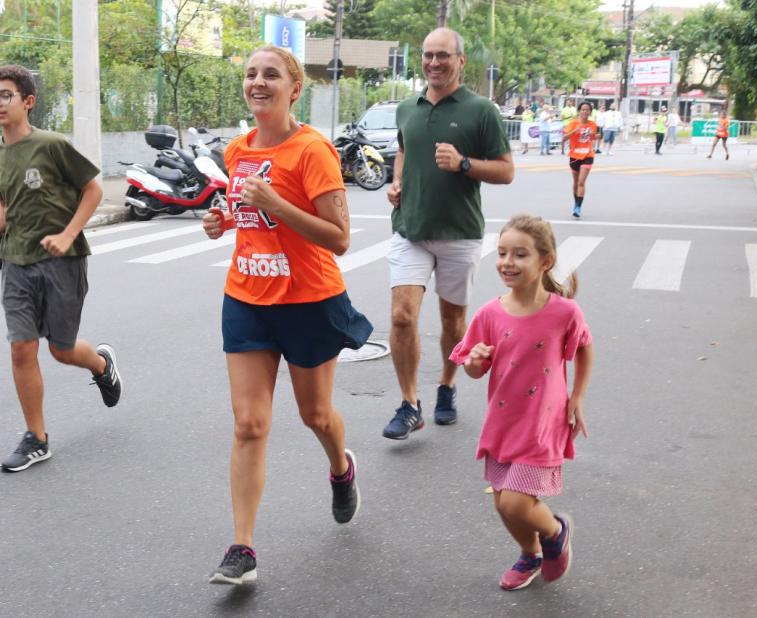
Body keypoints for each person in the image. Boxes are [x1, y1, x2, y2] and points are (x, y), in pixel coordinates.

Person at [201, 46, 371, 585]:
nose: (258, 82)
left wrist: (277, 203)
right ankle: (242, 548)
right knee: (249, 424)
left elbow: (339, 238)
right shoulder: (238, 149)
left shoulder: (312, 151)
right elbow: (246, 216)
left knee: (315, 416)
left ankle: (341, 469)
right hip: (247, 297)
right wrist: (222, 221)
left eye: (270, 75)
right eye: (251, 74)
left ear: (294, 89)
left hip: (308, 301)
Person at [0, 65, 122, 473]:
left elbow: (93, 189)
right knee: (22, 347)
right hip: (17, 261)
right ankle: (36, 438)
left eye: (6, 95)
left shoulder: (52, 146)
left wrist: (70, 234)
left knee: (62, 349)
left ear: (28, 102)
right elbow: (6, 202)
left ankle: (102, 365)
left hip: (62, 261)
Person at [449, 214, 593, 591]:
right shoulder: (490, 313)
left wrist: (577, 395)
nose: (507, 262)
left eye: (520, 254)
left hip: (543, 422)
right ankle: (530, 554)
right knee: (502, 504)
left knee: (516, 503)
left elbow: (585, 348)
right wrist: (475, 362)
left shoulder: (563, 312)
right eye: (501, 253)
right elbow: (472, 368)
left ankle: (555, 531)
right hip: (503, 422)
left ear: (545, 261)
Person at [382, 27, 513, 439]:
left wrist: (463, 164)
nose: (434, 62)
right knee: (402, 317)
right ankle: (409, 404)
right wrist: (397, 181)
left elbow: (506, 170)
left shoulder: (481, 111)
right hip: (410, 229)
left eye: (443, 55)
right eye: (428, 55)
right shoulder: (408, 108)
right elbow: (404, 148)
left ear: (461, 61)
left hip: (459, 233)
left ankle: (446, 386)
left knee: (453, 320)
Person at [562, 102, 597, 219]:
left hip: (588, 156)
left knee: (581, 182)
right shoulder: (573, 123)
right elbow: (564, 138)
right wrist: (574, 131)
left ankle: (578, 207)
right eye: (583, 110)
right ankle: (576, 202)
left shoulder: (592, 124)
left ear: (590, 112)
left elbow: (593, 136)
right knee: (576, 183)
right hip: (574, 156)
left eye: (587, 110)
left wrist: (595, 135)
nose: (585, 112)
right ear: (579, 111)